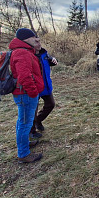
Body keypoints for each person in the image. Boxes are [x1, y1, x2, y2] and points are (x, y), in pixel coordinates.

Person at [9, 28, 44, 163]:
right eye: (33, 37)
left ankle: (26, 143)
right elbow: (24, 76)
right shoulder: (22, 53)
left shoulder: (22, 51)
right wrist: (34, 92)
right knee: (24, 123)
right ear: (25, 39)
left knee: (23, 121)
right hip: (25, 94)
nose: (36, 39)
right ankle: (23, 154)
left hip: (24, 93)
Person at [29, 38, 58, 139]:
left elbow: (50, 61)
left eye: (39, 41)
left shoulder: (44, 53)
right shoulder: (28, 55)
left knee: (50, 104)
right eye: (36, 42)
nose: (39, 44)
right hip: (34, 87)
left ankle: (38, 120)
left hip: (45, 85)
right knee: (33, 109)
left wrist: (53, 60)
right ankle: (32, 131)